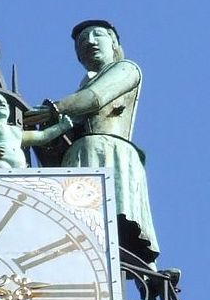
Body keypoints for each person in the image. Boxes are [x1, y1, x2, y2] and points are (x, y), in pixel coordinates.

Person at [36, 20, 159, 265]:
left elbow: (95, 98)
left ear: (114, 43)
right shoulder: (82, 87)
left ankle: (148, 269)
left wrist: (54, 110)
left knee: (121, 222)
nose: (90, 42)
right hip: (80, 155)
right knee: (79, 229)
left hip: (110, 152)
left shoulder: (127, 69)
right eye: (82, 41)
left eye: (97, 35)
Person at [0, 91, 73, 168]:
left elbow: (42, 136)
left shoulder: (16, 131)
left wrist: (61, 127)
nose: (2, 103)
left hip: (20, 167)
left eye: (5, 102)